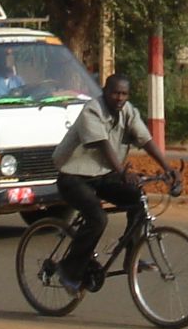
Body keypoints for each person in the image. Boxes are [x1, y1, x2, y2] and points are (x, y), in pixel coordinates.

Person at [52, 73, 180, 294]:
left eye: (124, 94)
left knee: (136, 199)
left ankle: (131, 257)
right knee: (97, 218)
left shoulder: (128, 111)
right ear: (105, 91)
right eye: (115, 93)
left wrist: (168, 169)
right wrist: (122, 172)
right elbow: (102, 144)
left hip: (102, 175)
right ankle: (68, 269)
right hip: (73, 176)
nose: (120, 98)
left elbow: (145, 140)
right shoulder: (92, 110)